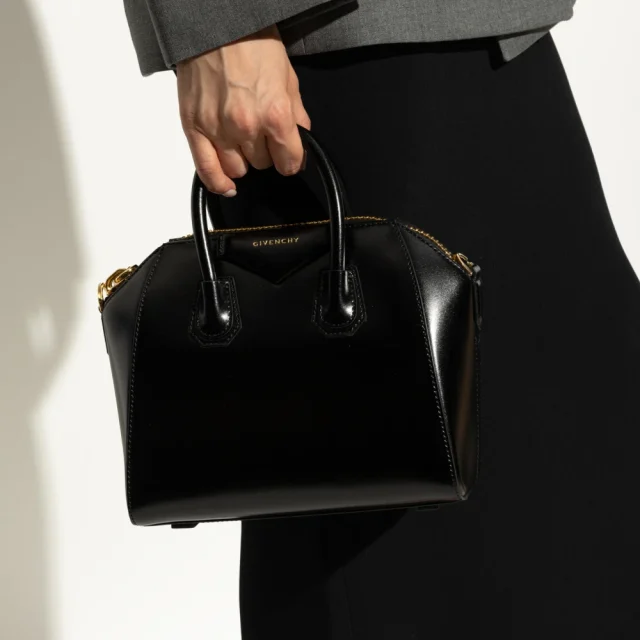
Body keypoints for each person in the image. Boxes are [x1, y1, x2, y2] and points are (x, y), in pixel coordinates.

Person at [123, 2, 640, 638]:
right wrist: (220, 25)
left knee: (576, 460)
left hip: (487, 30)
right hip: (335, 39)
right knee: (390, 502)